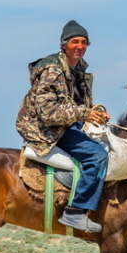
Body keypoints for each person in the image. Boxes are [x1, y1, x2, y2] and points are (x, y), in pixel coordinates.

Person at [16, 20, 111, 233]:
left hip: (67, 125)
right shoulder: (53, 70)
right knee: (97, 156)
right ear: (64, 44)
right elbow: (47, 113)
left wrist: (95, 115)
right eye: (75, 41)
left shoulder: (78, 70)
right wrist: (85, 114)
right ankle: (76, 211)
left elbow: (76, 105)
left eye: (84, 42)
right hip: (47, 130)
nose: (80, 46)